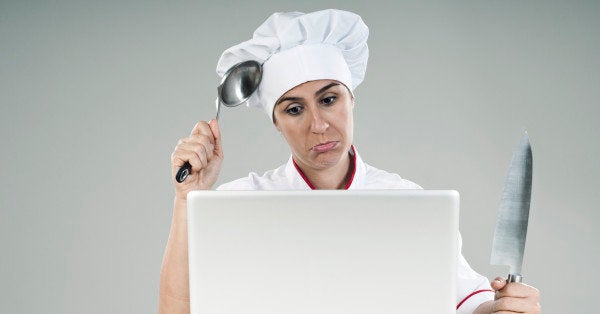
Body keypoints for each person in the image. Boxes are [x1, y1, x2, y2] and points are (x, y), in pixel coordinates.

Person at [159, 9, 541, 314]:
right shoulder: (235, 204)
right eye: (294, 109)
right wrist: (186, 200)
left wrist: (503, 308)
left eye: (329, 99)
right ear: (276, 123)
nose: (319, 125)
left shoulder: (407, 202)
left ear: (352, 99)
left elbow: (465, 301)